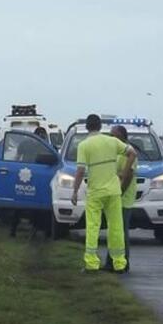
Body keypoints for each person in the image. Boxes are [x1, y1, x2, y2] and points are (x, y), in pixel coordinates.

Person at [71, 114, 137, 273]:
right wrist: (124, 174)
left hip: (96, 192)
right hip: (113, 191)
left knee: (93, 227)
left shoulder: (84, 145)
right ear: (100, 126)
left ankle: (91, 264)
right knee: (116, 227)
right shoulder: (112, 141)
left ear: (87, 127)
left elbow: (80, 171)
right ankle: (119, 263)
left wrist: (75, 191)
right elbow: (132, 153)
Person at [103, 125, 138, 272]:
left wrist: (120, 192)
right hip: (114, 196)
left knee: (120, 232)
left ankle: (122, 263)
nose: (111, 138)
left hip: (123, 199)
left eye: (114, 135)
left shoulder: (128, 153)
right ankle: (111, 262)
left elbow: (128, 176)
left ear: (122, 137)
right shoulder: (118, 152)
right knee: (114, 231)